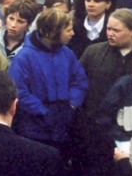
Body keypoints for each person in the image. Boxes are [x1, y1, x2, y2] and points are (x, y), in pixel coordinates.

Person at [9, 8, 88, 148]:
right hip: (34, 130)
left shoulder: (67, 54)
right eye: (68, 30)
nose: (72, 33)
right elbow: (18, 91)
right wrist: (44, 112)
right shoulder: (23, 58)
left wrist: (71, 104)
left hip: (64, 125)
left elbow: (79, 81)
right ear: (54, 32)